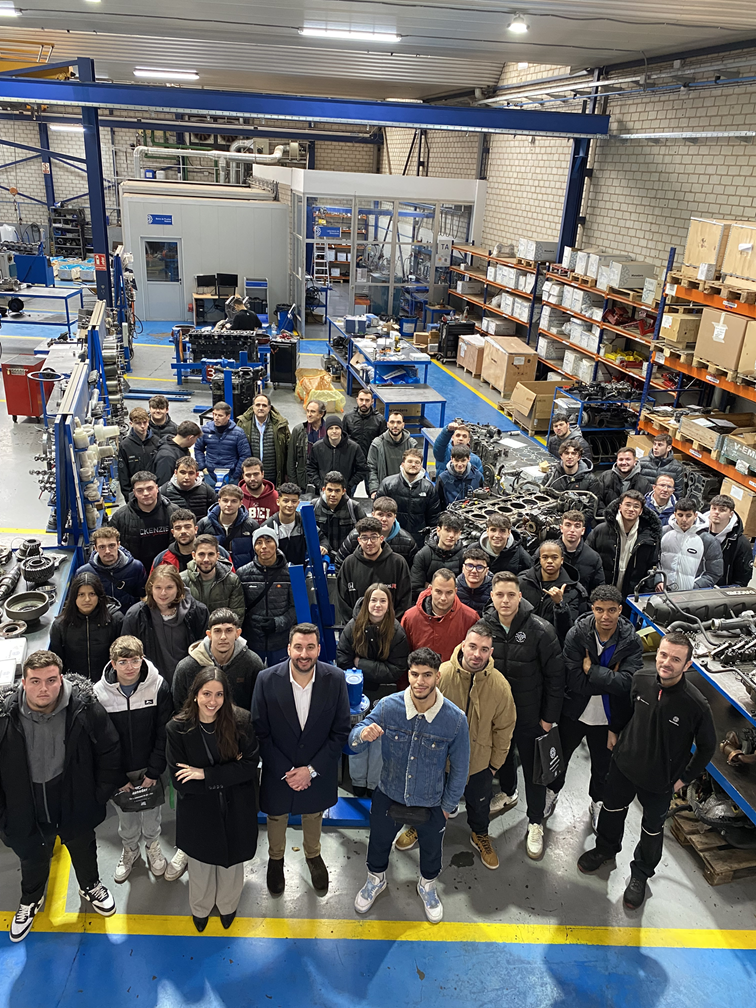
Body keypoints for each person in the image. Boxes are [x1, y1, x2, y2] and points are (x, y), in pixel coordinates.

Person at [577, 632, 716, 910]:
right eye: (663, 654)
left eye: (676, 659)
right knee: (611, 811)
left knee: (652, 830)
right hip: (624, 766)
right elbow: (625, 709)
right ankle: (605, 849)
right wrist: (614, 731)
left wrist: (683, 779)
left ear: (687, 665)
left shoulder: (696, 705)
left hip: (660, 781)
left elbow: (707, 747)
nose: (666, 662)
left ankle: (640, 874)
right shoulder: (641, 679)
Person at [0, 650, 120, 942]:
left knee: (83, 848)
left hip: (74, 802)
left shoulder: (84, 708)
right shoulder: (4, 716)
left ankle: (90, 886)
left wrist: (98, 796)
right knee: (32, 857)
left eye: (51, 680)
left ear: (62, 679)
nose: (44, 688)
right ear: (23, 683)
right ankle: (31, 899)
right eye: (35, 681)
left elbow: (109, 750)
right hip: (25, 806)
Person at [350, 647, 470, 923]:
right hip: (388, 793)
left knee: (431, 849)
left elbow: (460, 768)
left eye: (427, 675)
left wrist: (447, 806)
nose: (420, 681)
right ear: (408, 674)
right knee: (378, 842)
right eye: (415, 674)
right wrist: (362, 734)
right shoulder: (388, 707)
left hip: (431, 801)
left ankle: (427, 886)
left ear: (438, 676)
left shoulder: (455, 720)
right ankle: (376, 879)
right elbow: (354, 739)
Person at [396, 623, 515, 871]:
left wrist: (494, 765)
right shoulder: (442, 675)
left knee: (479, 805)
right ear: (463, 645)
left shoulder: (500, 686)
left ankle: (479, 834)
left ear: (491, 652)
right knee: (427, 799)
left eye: (484, 649)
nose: (477, 654)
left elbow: (504, 728)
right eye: (472, 646)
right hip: (438, 760)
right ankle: (419, 826)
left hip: (478, 763)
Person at [252, 623, 351, 895]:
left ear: (319, 649)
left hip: (317, 769)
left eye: (310, 647)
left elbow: (341, 730)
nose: (304, 654)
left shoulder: (335, 679)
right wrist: (287, 770)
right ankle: (275, 859)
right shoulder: (266, 679)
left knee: (313, 814)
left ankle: (313, 855)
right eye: (298, 647)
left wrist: (311, 770)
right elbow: (259, 731)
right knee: (276, 816)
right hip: (278, 767)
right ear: (288, 649)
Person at [167, 668, 259, 931]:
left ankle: (228, 905)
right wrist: (230, 772)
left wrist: (204, 774)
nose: (212, 701)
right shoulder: (178, 729)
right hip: (199, 811)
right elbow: (180, 780)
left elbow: (250, 766)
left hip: (236, 807)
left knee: (232, 864)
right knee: (200, 865)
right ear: (195, 695)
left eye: (219, 694)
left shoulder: (241, 721)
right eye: (206, 693)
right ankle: (201, 908)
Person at [482, 572, 565, 859]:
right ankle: (507, 793)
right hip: (498, 717)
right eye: (499, 595)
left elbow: (556, 678)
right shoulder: (483, 628)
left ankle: (535, 822)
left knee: (534, 772)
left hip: (531, 717)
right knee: (502, 759)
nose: (505, 600)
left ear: (520, 596)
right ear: (492, 597)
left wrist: (548, 718)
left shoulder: (540, 630)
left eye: (510, 595)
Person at [546, 586, 641, 829]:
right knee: (560, 758)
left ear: (620, 610)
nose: (605, 616)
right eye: (599, 610)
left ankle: (597, 802)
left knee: (603, 767)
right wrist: (610, 679)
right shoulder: (577, 635)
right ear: (592, 609)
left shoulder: (631, 641)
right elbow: (574, 681)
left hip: (609, 719)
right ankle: (552, 793)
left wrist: (592, 671)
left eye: (611, 610)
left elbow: (628, 684)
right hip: (574, 712)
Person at [94, 635, 173, 883]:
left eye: (135, 660)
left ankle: (152, 845)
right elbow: (100, 741)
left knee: (152, 814)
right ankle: (130, 849)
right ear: (113, 663)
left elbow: (164, 731)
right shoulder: (99, 694)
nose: (130, 667)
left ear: (143, 659)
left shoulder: (158, 686)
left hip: (150, 767)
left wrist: (154, 770)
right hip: (120, 771)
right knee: (126, 817)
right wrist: (117, 777)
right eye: (123, 661)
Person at [336, 585, 410, 795]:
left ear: (389, 605)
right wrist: (369, 670)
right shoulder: (352, 627)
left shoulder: (397, 632)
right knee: (357, 735)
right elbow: (342, 659)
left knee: (379, 739)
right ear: (366, 602)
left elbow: (396, 670)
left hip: (385, 694)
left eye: (383, 601)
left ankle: (373, 784)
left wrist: (360, 664)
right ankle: (358, 782)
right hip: (355, 694)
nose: (378, 605)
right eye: (373, 600)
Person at [122, 565, 209, 686]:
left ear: (178, 588)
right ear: (150, 588)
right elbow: (126, 653)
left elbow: (205, 651)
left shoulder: (198, 612)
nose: (163, 593)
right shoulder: (135, 616)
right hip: (151, 684)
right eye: (158, 587)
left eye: (169, 587)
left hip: (190, 682)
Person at [173, 608, 264, 712]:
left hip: (240, 721)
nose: (223, 637)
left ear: (238, 633)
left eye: (229, 630)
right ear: (209, 634)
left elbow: (259, 705)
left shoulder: (252, 663)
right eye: (217, 631)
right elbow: (179, 707)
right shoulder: (186, 667)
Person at [237, 527, 297, 666]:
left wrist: (278, 623)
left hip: (281, 640)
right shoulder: (243, 574)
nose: (264, 546)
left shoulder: (291, 573)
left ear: (276, 544)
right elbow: (239, 607)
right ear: (254, 547)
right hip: (252, 640)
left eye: (268, 541)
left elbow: (296, 607)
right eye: (259, 542)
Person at [587, 490, 662, 601]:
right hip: (602, 594)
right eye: (628, 504)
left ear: (641, 511)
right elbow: (589, 560)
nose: (631, 509)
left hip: (632, 596)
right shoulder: (600, 530)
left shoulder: (650, 536)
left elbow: (652, 565)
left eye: (636, 506)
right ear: (620, 506)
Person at [49, 572, 124, 682]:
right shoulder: (60, 625)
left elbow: (123, 656)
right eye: (81, 594)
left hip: (108, 683)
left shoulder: (115, 619)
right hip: (75, 684)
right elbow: (57, 663)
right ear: (74, 597)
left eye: (92, 594)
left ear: (99, 596)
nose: (87, 599)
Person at [336, 517, 412, 621]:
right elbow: (343, 602)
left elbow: (405, 600)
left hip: (390, 626)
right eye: (364, 538)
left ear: (381, 538)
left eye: (373, 537)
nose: (369, 542)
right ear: (359, 540)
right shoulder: (349, 564)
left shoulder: (398, 563)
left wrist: (390, 623)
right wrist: (357, 623)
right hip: (357, 626)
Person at [107, 471, 179, 572]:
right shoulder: (120, 517)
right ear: (134, 492)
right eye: (140, 490)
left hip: (167, 569)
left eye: (150, 488)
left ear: (157, 488)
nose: (145, 493)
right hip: (135, 571)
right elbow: (109, 544)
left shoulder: (173, 512)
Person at [401, 568, 478, 662]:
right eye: (438, 592)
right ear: (430, 589)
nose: (443, 598)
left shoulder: (471, 618)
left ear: (455, 591)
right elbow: (402, 656)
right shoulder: (410, 617)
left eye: (449, 592)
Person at [519, 540, 586, 643]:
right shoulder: (522, 582)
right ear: (540, 559)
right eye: (545, 557)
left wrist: (560, 605)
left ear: (562, 560)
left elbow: (569, 632)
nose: (549, 561)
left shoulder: (573, 590)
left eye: (554, 557)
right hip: (523, 642)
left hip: (553, 645)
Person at [377, 448, 441, 549]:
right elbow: (378, 513)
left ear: (421, 466)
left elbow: (433, 518)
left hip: (418, 541)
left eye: (417, 462)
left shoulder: (428, 488)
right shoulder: (388, 484)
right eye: (410, 461)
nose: (413, 465)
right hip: (391, 539)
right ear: (403, 464)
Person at [655, 497, 723, 591]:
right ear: (674, 515)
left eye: (688, 515)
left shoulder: (708, 541)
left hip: (691, 596)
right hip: (663, 591)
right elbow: (653, 561)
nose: (684, 519)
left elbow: (714, 573)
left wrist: (694, 588)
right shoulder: (663, 533)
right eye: (680, 515)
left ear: (695, 515)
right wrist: (658, 580)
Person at [337, 495, 418, 572]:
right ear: (373, 515)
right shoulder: (355, 536)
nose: (384, 519)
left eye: (389, 515)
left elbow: (413, 571)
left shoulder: (407, 541)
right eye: (380, 514)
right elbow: (339, 562)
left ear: (394, 517)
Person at [78, 527, 147, 614]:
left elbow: (143, 597)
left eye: (111, 546)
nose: (107, 551)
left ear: (118, 545)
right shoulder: (84, 573)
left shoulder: (136, 567)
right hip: (99, 619)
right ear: (95, 548)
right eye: (102, 547)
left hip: (128, 618)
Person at [181, 534, 245, 623]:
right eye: (201, 554)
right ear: (194, 555)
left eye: (211, 554)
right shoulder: (181, 581)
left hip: (222, 631)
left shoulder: (232, 581)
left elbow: (237, 616)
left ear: (217, 556)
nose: (206, 559)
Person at [262, 483, 326, 567]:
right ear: (278, 502)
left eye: (294, 501)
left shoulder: (305, 521)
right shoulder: (268, 526)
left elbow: (322, 538)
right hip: (276, 571)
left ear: (298, 503)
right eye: (285, 501)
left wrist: (323, 547)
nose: (290, 505)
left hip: (301, 570)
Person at [197, 485, 259, 569]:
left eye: (234, 501)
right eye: (225, 501)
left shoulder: (251, 525)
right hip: (213, 573)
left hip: (244, 573)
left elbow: (257, 554)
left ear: (240, 503)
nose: (229, 505)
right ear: (219, 501)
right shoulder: (204, 524)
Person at [236, 392, 290, 488]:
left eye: (264, 405)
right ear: (253, 407)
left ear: (269, 408)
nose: (261, 408)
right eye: (258, 405)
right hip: (251, 476)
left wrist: (286, 473)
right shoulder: (243, 424)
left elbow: (288, 449)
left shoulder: (280, 425)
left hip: (273, 475)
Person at [307, 415, 367, 497]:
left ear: (341, 429)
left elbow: (362, 469)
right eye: (331, 428)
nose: (334, 431)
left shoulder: (353, 448)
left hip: (345, 492)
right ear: (326, 430)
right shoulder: (317, 447)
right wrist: (320, 484)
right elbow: (310, 468)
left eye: (337, 428)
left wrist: (349, 484)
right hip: (324, 491)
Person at [194, 401, 251, 486]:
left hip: (231, 477)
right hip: (209, 475)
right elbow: (198, 448)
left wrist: (236, 474)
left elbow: (245, 454)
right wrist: (203, 467)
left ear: (228, 416)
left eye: (220, 415)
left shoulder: (238, 433)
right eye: (215, 414)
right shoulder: (205, 430)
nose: (216, 418)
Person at [704, 494, 753, 587]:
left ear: (731, 514)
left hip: (721, 590)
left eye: (722, 510)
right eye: (714, 508)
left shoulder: (741, 543)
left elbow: (742, 579)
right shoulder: (697, 533)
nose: (716, 512)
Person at [313, 472, 367, 555]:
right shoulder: (313, 506)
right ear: (324, 490)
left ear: (343, 491)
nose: (333, 494)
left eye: (337, 491)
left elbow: (367, 531)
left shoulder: (354, 507)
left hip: (347, 557)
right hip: (321, 556)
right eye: (330, 490)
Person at [367, 410, 418, 497]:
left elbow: (416, 468)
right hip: (384, 491)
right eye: (392, 422)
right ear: (387, 424)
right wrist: (374, 489)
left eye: (398, 422)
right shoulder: (377, 444)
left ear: (403, 425)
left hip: (405, 493)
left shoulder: (412, 444)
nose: (395, 425)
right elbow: (371, 468)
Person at [554, 510, 605, 596]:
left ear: (583, 530)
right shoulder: (546, 552)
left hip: (581, 603)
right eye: (568, 525)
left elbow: (599, 590)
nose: (572, 530)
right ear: (561, 528)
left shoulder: (593, 558)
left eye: (577, 526)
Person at [118, 407, 160, 498]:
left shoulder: (157, 442)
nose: (142, 426)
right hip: (136, 494)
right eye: (138, 423)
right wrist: (129, 497)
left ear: (148, 421)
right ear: (131, 424)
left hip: (154, 492)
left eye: (145, 422)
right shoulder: (125, 445)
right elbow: (123, 475)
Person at [160, 457, 218, 523]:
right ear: (175, 473)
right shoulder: (163, 491)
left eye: (191, 473)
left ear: (197, 475)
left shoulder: (208, 491)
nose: (186, 477)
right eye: (183, 472)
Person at [287, 398, 327, 491]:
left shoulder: (328, 432)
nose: (309, 414)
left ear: (321, 414)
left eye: (313, 411)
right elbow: (291, 459)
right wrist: (293, 483)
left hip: (323, 482)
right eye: (307, 411)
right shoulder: (298, 431)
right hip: (303, 481)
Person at [152, 509, 203, 573]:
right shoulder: (161, 560)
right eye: (178, 528)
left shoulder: (212, 553)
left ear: (195, 529)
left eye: (187, 527)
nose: (183, 531)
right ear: (173, 532)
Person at [153, 421, 202, 487]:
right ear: (190, 438)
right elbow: (163, 482)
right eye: (196, 439)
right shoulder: (167, 456)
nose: (195, 442)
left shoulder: (183, 449)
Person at [343, 387, 387, 459]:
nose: (364, 403)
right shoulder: (348, 418)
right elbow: (343, 439)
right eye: (361, 400)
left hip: (371, 458)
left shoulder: (380, 420)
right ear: (357, 400)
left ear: (372, 401)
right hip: (352, 457)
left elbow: (383, 442)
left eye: (367, 400)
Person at [238, 456, 279, 523]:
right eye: (248, 475)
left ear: (262, 474)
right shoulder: (237, 497)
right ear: (243, 476)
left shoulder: (276, 497)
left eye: (256, 474)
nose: (252, 478)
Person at [456, 547, 492, 614]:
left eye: (480, 567)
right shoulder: (454, 587)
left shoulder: (494, 590)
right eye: (470, 566)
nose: (474, 571)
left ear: (486, 571)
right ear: (463, 568)